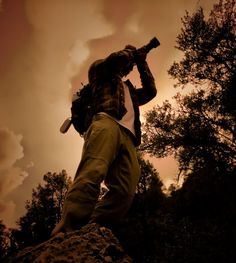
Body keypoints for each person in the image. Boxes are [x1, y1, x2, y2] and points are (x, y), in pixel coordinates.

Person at [51, 43, 157, 236]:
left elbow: (151, 91)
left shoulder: (129, 90)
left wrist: (142, 63)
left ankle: (92, 229)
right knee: (92, 173)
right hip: (105, 122)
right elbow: (116, 61)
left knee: (125, 191)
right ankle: (67, 231)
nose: (129, 67)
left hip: (129, 137)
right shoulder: (100, 73)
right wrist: (132, 52)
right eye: (129, 63)